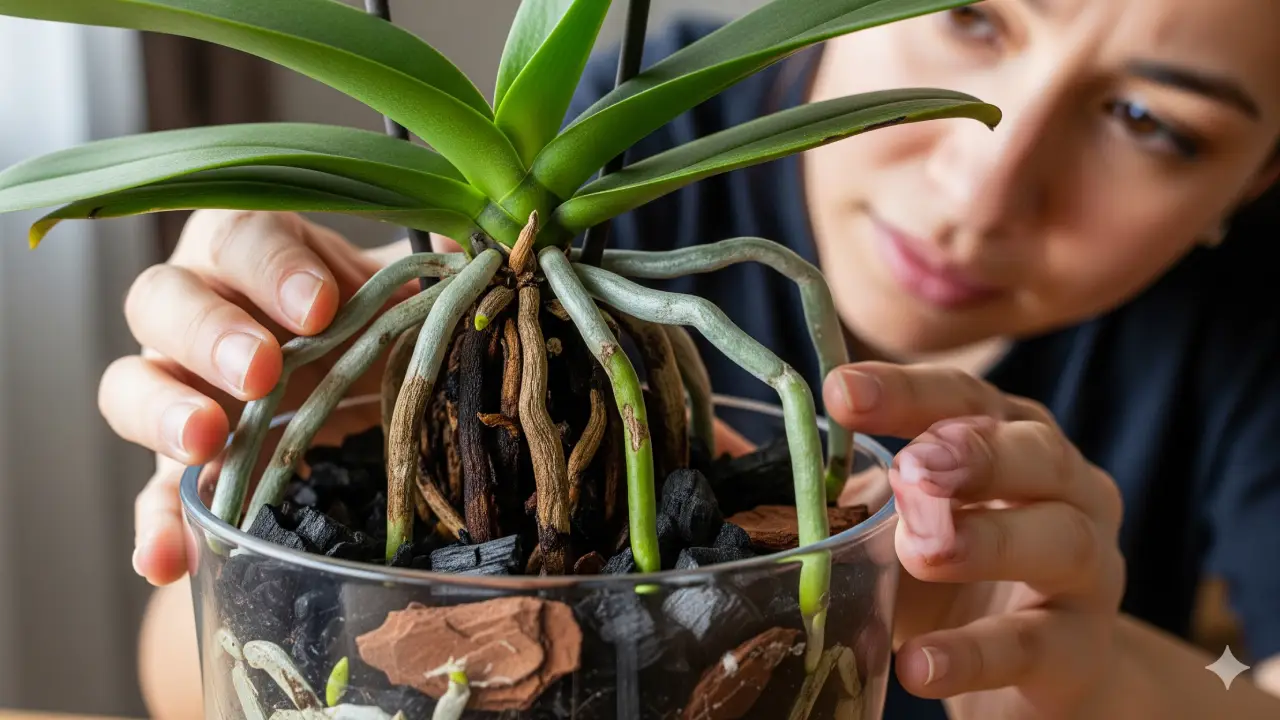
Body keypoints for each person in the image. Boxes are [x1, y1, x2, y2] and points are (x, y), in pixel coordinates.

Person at [102, 1, 1280, 718]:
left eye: (1152, 124)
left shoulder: (1243, 341)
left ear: (1260, 177)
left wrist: (1109, 683)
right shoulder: (613, 190)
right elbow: (184, 687)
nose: (982, 181)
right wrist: (267, 469)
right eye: (967, 14)